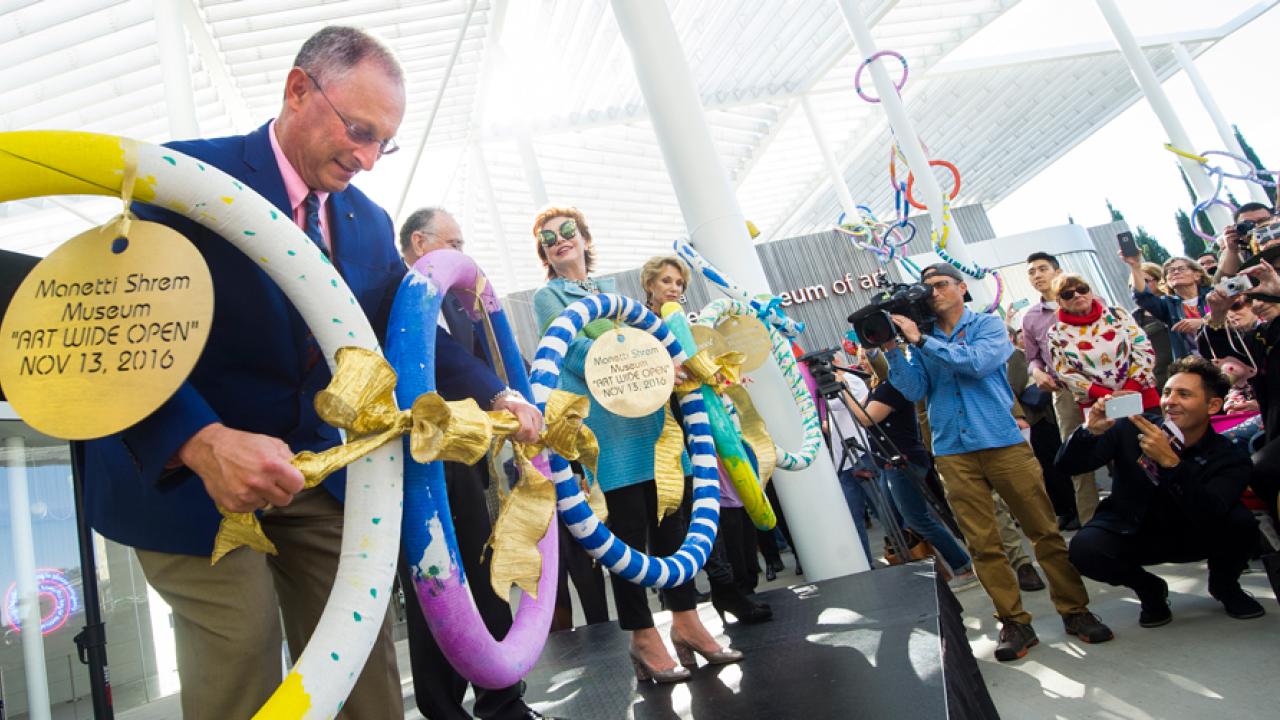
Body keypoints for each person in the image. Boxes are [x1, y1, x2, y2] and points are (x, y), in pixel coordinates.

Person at [78, 28, 539, 719]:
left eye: (384, 142)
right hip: (187, 473)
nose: (368, 158)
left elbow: (402, 328)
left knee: (361, 658)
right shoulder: (182, 180)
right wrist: (201, 443)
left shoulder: (366, 219)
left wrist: (496, 389)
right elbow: (114, 335)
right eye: (358, 131)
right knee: (241, 650)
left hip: (313, 474)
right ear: (298, 90)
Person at [531, 207, 741, 683]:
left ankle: (688, 625)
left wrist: (667, 365)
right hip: (608, 436)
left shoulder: (613, 297)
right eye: (549, 239)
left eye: (568, 232)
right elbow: (581, 354)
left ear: (585, 239)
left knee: (671, 530)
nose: (559, 241)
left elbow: (655, 346)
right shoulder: (550, 297)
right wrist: (643, 359)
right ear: (544, 253)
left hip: (653, 428)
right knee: (626, 542)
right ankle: (643, 637)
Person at [881, 262, 1113, 662]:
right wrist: (892, 352)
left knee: (1043, 531)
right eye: (927, 288)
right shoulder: (922, 339)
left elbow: (976, 365)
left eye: (940, 285)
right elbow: (916, 388)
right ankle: (1014, 621)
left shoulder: (988, 326)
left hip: (1002, 442)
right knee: (982, 544)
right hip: (953, 451)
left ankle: (1075, 610)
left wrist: (920, 342)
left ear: (961, 288)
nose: (932, 293)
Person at [395, 207, 556, 720]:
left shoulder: (464, 308)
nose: (464, 254)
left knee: (480, 567)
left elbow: (496, 362)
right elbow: (448, 361)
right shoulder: (396, 294)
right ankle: (444, 711)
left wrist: (527, 398)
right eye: (454, 243)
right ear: (421, 244)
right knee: (433, 587)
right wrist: (502, 394)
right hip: (411, 458)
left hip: (462, 457)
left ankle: (503, 701)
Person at [1060, 357, 1264, 625]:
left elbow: (1212, 511)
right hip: (1134, 530)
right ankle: (1149, 590)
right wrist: (1088, 432)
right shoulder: (1130, 427)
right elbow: (1067, 466)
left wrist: (1171, 464)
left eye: (1184, 394)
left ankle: (1225, 586)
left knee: (1243, 524)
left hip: (1193, 534)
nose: (1170, 401)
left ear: (1213, 405)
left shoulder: (1229, 455)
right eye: (1167, 392)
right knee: (1085, 549)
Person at [639, 255, 770, 624]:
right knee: (674, 513)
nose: (674, 288)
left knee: (704, 503)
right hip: (661, 429)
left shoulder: (684, 326)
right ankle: (683, 599)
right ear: (650, 283)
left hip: (696, 422)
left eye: (679, 284)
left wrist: (724, 379)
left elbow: (699, 367)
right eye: (666, 281)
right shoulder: (639, 324)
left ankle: (727, 588)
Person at [845, 348, 979, 589]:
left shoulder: (893, 386)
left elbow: (866, 418)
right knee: (893, 520)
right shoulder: (878, 386)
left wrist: (843, 392)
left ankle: (962, 566)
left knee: (917, 518)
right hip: (888, 462)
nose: (862, 363)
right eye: (860, 359)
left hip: (903, 460)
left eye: (867, 358)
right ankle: (924, 568)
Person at [1022, 252, 1097, 525]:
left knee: (1124, 447)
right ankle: (1091, 524)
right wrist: (1037, 372)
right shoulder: (1031, 318)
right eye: (1031, 272)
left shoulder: (1089, 302)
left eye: (1042, 269)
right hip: (1065, 392)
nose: (1037, 275)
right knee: (1077, 456)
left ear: (1057, 272)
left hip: (1105, 385)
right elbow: (1032, 358)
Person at [1047, 274, 1158, 413]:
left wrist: (1131, 387)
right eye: (1067, 294)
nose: (1077, 295)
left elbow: (1144, 349)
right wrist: (1106, 395)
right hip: (1098, 406)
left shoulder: (1117, 314)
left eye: (1082, 289)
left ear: (1091, 292)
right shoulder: (1056, 333)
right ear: (1059, 301)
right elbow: (1064, 372)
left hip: (1141, 395)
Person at [1125, 254, 1211, 361]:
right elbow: (1142, 297)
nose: (1175, 272)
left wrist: (1202, 323)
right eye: (1170, 271)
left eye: (1181, 269)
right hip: (1195, 366)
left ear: (1197, 275)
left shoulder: (1214, 295)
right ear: (1166, 281)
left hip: (1226, 358)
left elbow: (1234, 319)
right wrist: (1135, 266)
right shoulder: (1168, 306)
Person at [1211, 202, 1275, 282]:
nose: (1257, 228)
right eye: (1249, 225)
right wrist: (1232, 250)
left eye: (1263, 222)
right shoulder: (1239, 253)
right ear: (1238, 230)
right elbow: (1222, 283)